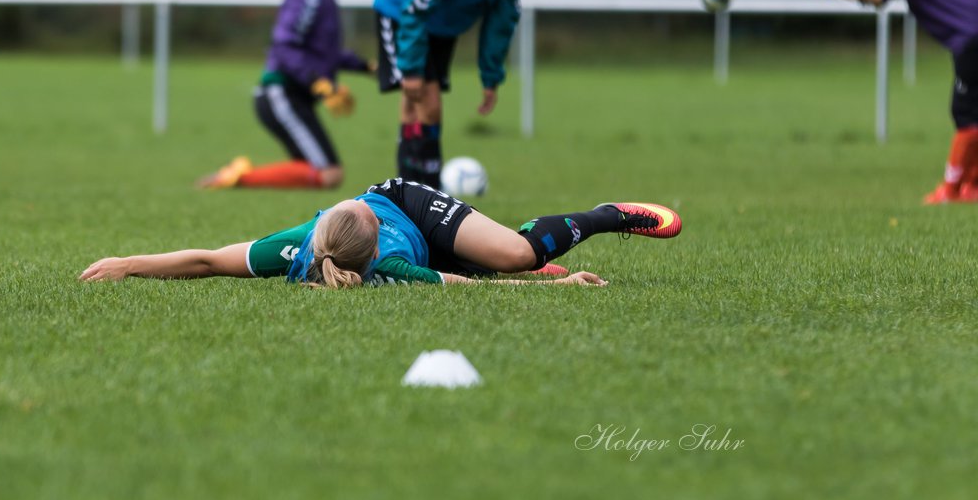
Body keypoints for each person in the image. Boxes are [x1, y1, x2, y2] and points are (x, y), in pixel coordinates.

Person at [81, 178, 681, 288]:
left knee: (517, 253)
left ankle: (610, 215)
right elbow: (463, 290)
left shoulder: (291, 247)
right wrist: (564, 286)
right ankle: (533, 257)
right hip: (428, 249)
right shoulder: (389, 268)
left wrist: (127, 261)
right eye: (360, 209)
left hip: (414, 203)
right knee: (510, 269)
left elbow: (209, 260)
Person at [373, 0, 549, 189]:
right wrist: (412, 70)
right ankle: (423, 189)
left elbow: (502, 18)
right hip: (402, 12)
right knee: (423, 98)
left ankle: (416, 191)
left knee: (423, 103)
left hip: (443, 24)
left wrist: (491, 76)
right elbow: (416, 7)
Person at [832, 0, 978, 204]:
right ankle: (970, 187)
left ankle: (953, 190)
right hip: (968, 36)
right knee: (970, 112)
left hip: (973, 33)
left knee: (965, 111)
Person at [201, 0, 375, 190]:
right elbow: (284, 45)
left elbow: (323, 51)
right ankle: (236, 178)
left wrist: (365, 66)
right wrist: (316, 80)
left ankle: (238, 176)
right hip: (280, 93)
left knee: (321, 172)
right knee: (329, 174)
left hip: (293, 95)